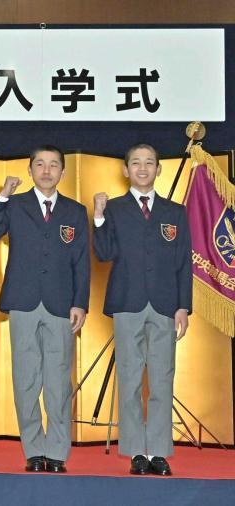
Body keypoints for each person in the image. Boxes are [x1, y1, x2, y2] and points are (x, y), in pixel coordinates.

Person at [0, 145, 89, 474]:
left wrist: (80, 302)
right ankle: (33, 450)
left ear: (63, 172)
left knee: (57, 380)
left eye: (53, 165)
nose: (46, 170)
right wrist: (2, 195)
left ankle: (56, 451)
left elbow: (81, 261)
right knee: (26, 379)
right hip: (22, 302)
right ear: (29, 170)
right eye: (39, 164)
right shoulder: (15, 204)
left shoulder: (74, 210)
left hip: (60, 304)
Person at [93, 143, 192, 476]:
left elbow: (183, 263)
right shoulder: (116, 209)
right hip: (127, 302)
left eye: (150, 162)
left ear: (159, 169)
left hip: (165, 304)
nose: (143, 168)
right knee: (131, 378)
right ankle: (137, 450)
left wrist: (183, 306)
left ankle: (159, 452)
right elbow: (104, 253)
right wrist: (98, 217)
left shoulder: (175, 212)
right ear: (125, 170)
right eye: (136, 162)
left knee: (163, 378)